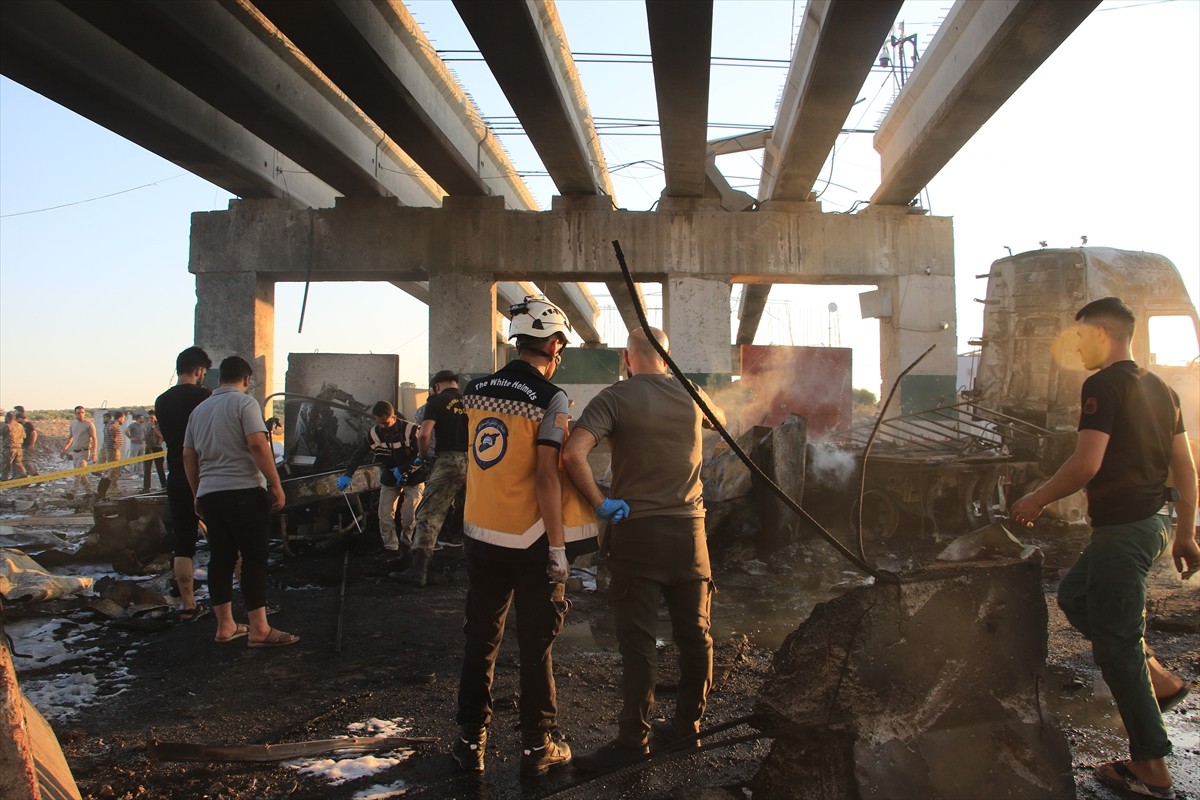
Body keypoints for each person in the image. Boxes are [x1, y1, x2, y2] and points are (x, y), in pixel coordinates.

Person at [1010, 297, 1198, 799]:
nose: (1075, 346)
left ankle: (1151, 765)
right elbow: (1185, 466)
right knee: (1075, 595)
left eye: (1079, 337)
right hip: (1150, 524)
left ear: (1099, 334)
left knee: (1117, 646)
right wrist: (1183, 531)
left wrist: (1037, 498)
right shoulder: (1161, 387)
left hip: (1125, 531)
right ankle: (1158, 679)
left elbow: (1087, 463)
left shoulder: (1102, 384)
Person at [564, 325, 725, 771]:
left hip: (638, 534)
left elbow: (573, 454)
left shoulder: (615, 397)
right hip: (692, 535)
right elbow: (722, 422)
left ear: (627, 358)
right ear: (667, 357)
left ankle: (634, 740)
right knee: (696, 637)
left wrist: (600, 503)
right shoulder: (691, 393)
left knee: (637, 642)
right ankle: (688, 728)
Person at [451, 295, 598, 777]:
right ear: (554, 343)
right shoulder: (550, 398)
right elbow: (546, 476)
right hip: (531, 540)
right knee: (536, 646)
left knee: (482, 640)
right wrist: (559, 548)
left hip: (480, 535)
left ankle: (470, 742)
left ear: (518, 341)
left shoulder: (475, 389)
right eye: (560, 348)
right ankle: (537, 748)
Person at [183, 355, 296, 648]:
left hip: (211, 495)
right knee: (254, 559)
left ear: (219, 379)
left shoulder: (199, 410)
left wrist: (198, 493)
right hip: (244, 491)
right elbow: (258, 443)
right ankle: (260, 630)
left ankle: (225, 627)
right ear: (246, 380)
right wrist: (275, 483)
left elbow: (188, 456)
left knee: (221, 559)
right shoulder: (245, 403)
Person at [393, 369, 470, 586]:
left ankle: (419, 571)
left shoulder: (435, 402)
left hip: (448, 461)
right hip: (475, 463)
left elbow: (425, 434)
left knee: (429, 513)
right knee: (474, 514)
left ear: (436, 385)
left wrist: (423, 456)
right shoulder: (470, 401)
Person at [155, 347, 213, 622]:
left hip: (176, 475)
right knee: (228, 539)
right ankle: (240, 602)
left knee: (184, 541)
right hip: (207, 475)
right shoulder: (204, 397)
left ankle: (188, 606)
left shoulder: (162, 400)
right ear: (199, 370)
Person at [336, 401, 422, 555]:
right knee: (384, 514)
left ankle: (406, 544)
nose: (383, 427)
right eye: (379, 423)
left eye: (386, 422)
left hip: (414, 475)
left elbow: (422, 453)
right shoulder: (374, 434)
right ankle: (391, 548)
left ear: (394, 417)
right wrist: (348, 474)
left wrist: (403, 469)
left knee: (409, 515)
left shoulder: (411, 430)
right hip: (390, 476)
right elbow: (359, 453)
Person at [61, 405, 98, 497]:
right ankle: (90, 492)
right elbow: (70, 437)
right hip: (75, 452)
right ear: (75, 414)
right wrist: (64, 449)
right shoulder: (73, 424)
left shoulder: (89, 424)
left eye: (82, 412)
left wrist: (94, 453)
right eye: (78, 413)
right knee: (81, 475)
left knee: (77, 473)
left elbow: (94, 438)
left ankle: (72, 493)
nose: (81, 415)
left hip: (84, 452)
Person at [96, 410, 125, 498]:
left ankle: (111, 487)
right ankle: (112, 488)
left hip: (113, 449)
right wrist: (114, 438)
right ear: (120, 418)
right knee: (114, 470)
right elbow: (111, 428)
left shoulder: (111, 423)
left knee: (114, 469)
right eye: (123, 419)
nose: (123, 420)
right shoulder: (113, 424)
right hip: (113, 450)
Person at [144, 410, 166, 492]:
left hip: (157, 448)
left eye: (152, 417)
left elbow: (161, 436)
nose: (150, 419)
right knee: (147, 468)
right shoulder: (148, 425)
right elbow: (146, 436)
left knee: (159, 468)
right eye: (149, 417)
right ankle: (146, 487)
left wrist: (154, 427)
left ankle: (164, 485)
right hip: (149, 448)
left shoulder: (159, 425)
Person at [1, 411, 27, 481]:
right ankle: (24, 478)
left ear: (8, 418)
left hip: (9, 448)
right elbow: (24, 436)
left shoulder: (7, 426)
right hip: (19, 448)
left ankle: (4, 480)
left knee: (6, 465)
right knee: (18, 464)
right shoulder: (20, 426)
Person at [15, 407, 38, 477]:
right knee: (21, 462)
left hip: (27, 446)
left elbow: (34, 433)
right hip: (21, 446)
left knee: (25, 462)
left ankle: (35, 476)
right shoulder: (20, 425)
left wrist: (32, 444)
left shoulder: (28, 425)